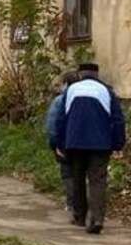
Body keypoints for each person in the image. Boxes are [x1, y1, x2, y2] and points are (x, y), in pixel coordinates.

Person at [50, 62, 125, 235]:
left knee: (78, 179)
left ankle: (79, 216)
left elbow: (61, 119)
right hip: (100, 144)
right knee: (97, 180)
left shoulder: (71, 90)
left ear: (80, 74)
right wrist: (118, 144)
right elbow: (117, 119)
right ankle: (97, 218)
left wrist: (59, 144)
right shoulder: (107, 91)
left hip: (75, 142)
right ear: (96, 75)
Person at [45, 71, 82, 221]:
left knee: (68, 173)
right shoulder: (83, 98)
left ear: (66, 84)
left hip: (65, 142)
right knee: (81, 172)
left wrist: (54, 144)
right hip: (83, 142)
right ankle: (84, 202)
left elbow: (52, 124)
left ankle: (72, 203)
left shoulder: (60, 100)